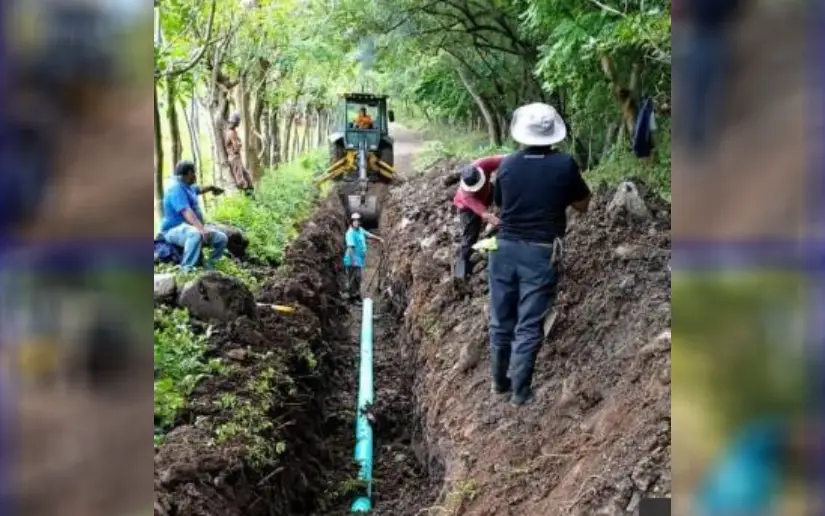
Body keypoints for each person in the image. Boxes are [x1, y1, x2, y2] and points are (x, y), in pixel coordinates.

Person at [489, 103, 591, 406]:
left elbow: (499, 207)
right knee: (529, 322)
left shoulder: (506, 165)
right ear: (553, 134)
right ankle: (520, 393)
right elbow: (583, 204)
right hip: (540, 252)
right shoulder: (565, 165)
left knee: (500, 318)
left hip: (503, 249)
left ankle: (499, 383)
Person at [160, 160, 227, 271]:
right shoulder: (175, 189)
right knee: (195, 234)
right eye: (194, 173)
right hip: (173, 230)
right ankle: (186, 269)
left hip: (189, 228)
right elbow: (186, 211)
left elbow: (199, 189)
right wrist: (201, 229)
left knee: (221, 239)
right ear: (189, 173)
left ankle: (210, 268)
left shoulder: (187, 186)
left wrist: (212, 188)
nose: (195, 176)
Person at [452, 156, 505, 279]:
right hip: (467, 210)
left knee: (502, 185)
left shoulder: (482, 163)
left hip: (488, 192)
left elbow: (506, 159)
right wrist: (504, 224)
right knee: (469, 238)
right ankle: (460, 272)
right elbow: (487, 215)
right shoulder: (467, 196)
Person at [343, 212, 383, 303]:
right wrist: (354, 261)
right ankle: (352, 298)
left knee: (358, 278)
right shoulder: (350, 233)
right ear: (351, 222)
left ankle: (356, 295)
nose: (356, 223)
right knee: (354, 279)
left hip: (358, 259)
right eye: (354, 221)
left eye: (357, 221)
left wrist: (379, 239)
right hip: (352, 260)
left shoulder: (360, 230)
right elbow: (350, 248)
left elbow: (368, 235)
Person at [224, 112, 254, 194]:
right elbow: (237, 148)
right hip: (234, 157)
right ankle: (246, 196)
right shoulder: (231, 133)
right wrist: (239, 144)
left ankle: (251, 194)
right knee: (240, 179)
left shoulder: (232, 132)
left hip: (236, 157)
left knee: (246, 176)